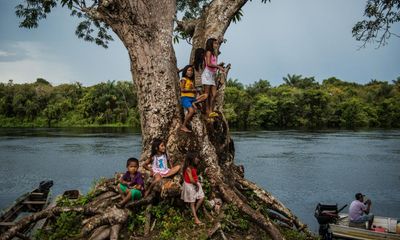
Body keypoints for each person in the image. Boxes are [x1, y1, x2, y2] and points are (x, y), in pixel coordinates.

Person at [201, 38, 225, 117]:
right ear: (211, 44)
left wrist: (218, 65)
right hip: (207, 74)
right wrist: (218, 66)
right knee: (207, 95)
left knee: (214, 94)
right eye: (215, 43)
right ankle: (207, 111)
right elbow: (208, 64)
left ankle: (211, 111)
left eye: (216, 43)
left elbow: (213, 64)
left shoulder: (214, 53)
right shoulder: (208, 52)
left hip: (212, 75)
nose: (216, 45)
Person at [181, 152, 205, 225]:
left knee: (201, 197)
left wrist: (197, 182)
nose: (197, 159)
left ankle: (193, 212)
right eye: (196, 158)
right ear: (191, 159)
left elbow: (194, 176)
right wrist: (197, 185)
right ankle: (196, 219)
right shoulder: (188, 168)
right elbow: (191, 180)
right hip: (190, 186)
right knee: (192, 202)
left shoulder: (193, 167)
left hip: (195, 184)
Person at [180, 65, 198, 133]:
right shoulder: (183, 79)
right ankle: (183, 126)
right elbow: (182, 90)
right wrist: (192, 90)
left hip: (192, 98)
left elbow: (193, 90)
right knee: (191, 111)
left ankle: (194, 103)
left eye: (191, 71)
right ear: (185, 71)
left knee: (205, 96)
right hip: (185, 98)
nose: (190, 72)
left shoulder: (190, 80)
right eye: (189, 70)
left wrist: (194, 90)